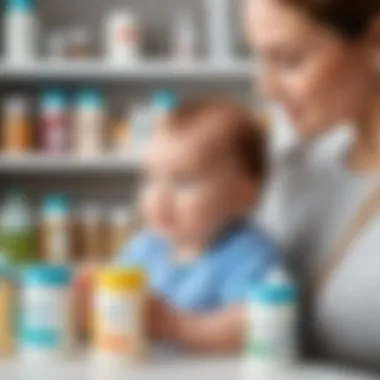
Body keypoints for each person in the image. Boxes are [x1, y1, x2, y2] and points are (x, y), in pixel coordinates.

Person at [243, 0, 380, 373]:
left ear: (375, 38)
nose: (266, 89)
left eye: (289, 60)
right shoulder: (297, 168)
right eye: (259, 59)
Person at [116, 99, 281, 353]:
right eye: (150, 179)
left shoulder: (247, 254)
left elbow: (253, 326)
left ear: (243, 195)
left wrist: (174, 327)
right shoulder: (144, 249)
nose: (158, 198)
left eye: (183, 181)